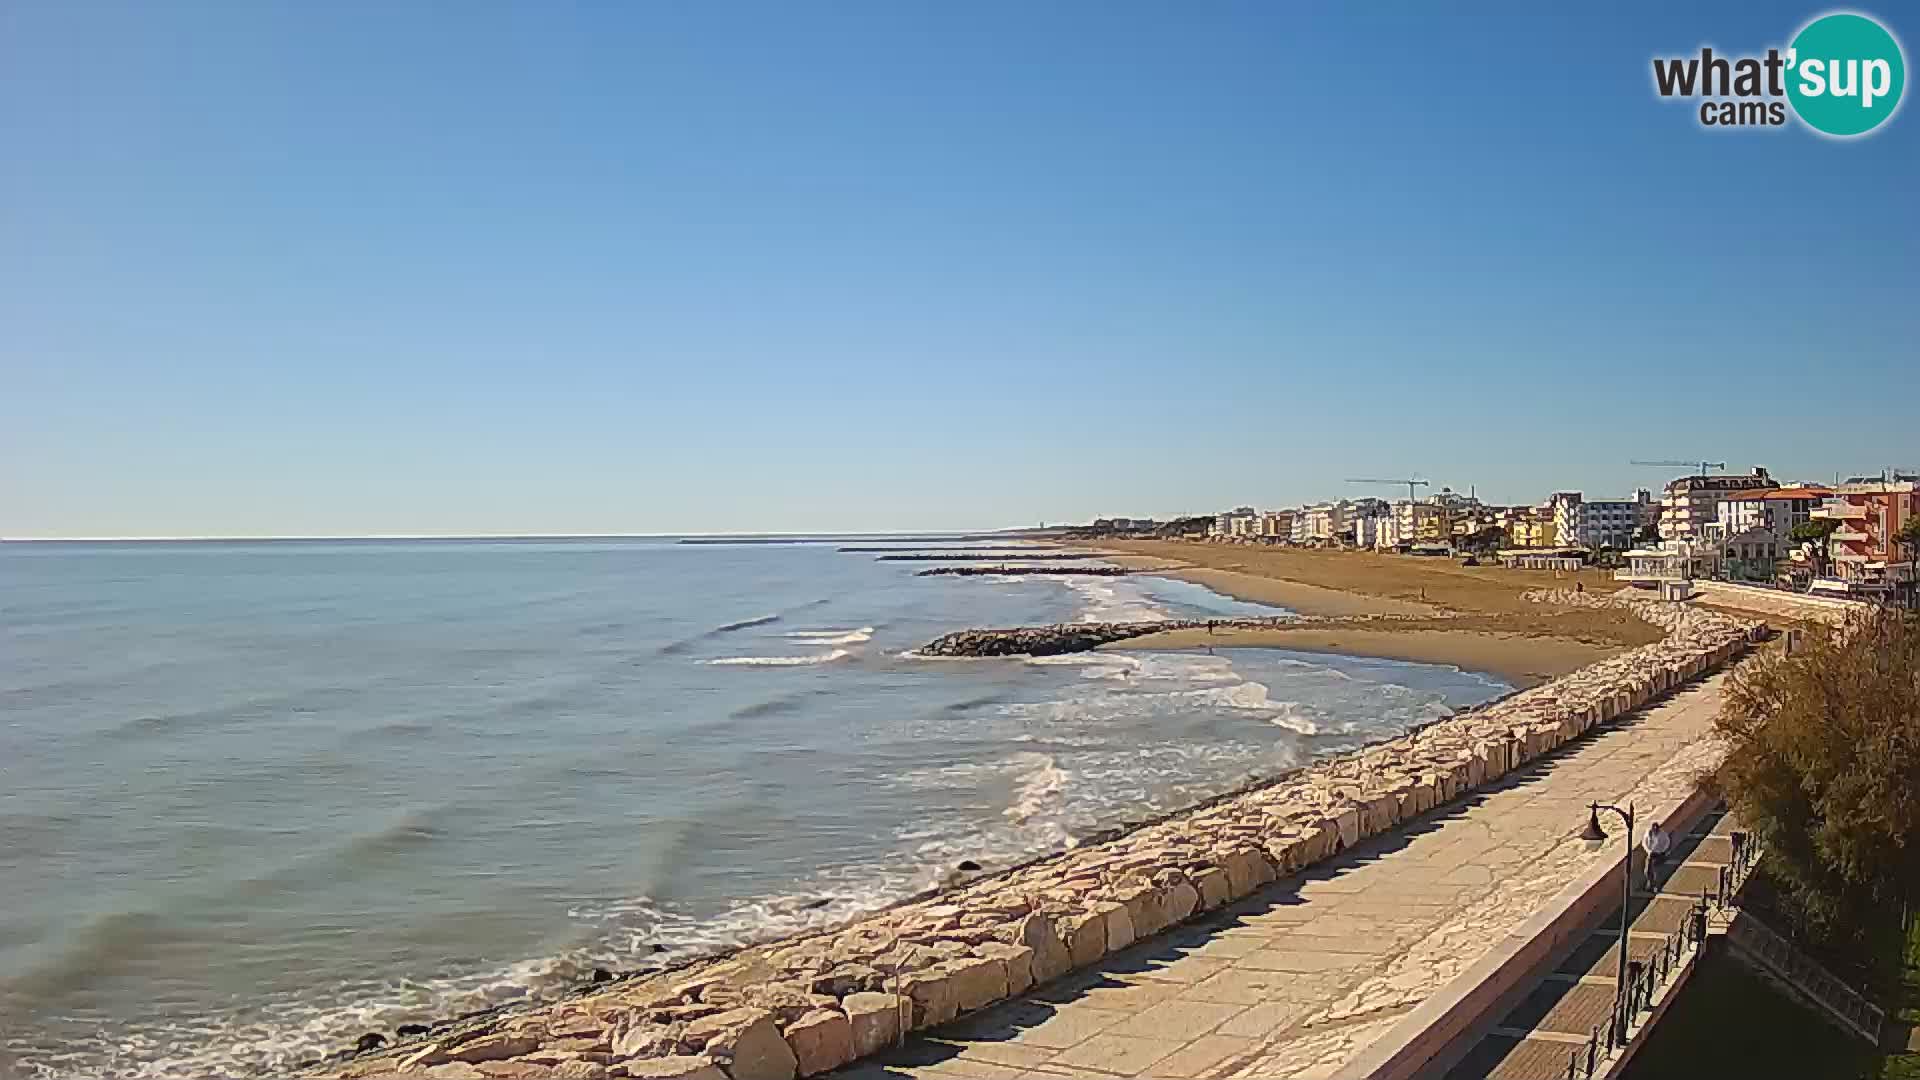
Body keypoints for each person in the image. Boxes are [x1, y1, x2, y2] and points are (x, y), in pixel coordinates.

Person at [1643, 822, 1671, 888]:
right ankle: (1649, 881)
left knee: (1655, 867)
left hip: (1660, 853)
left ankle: (1654, 884)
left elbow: (1667, 842)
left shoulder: (1663, 834)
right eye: (1654, 828)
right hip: (1651, 853)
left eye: (1656, 828)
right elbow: (1644, 843)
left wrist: (1662, 851)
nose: (1655, 830)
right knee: (1648, 868)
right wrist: (1648, 851)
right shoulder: (1648, 833)